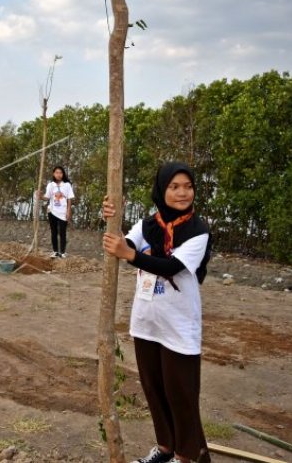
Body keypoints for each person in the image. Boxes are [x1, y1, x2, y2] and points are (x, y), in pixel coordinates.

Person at [102, 162, 213, 463]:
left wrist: (131, 256)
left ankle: (187, 456)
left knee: (182, 394)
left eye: (187, 186)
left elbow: (172, 267)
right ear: (162, 189)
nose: (182, 193)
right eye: (174, 187)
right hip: (148, 320)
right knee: (154, 388)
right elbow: (127, 243)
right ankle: (165, 448)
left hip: (179, 323)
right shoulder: (149, 224)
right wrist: (114, 227)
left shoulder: (198, 230)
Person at [37, 166, 75, 258]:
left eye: (61, 173)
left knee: (62, 232)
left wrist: (68, 211)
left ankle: (62, 252)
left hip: (63, 212)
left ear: (63, 174)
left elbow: (69, 199)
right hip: (52, 211)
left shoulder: (67, 185)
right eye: (57, 173)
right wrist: (41, 196)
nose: (59, 175)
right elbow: (47, 197)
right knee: (53, 232)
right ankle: (55, 251)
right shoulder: (51, 185)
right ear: (54, 174)